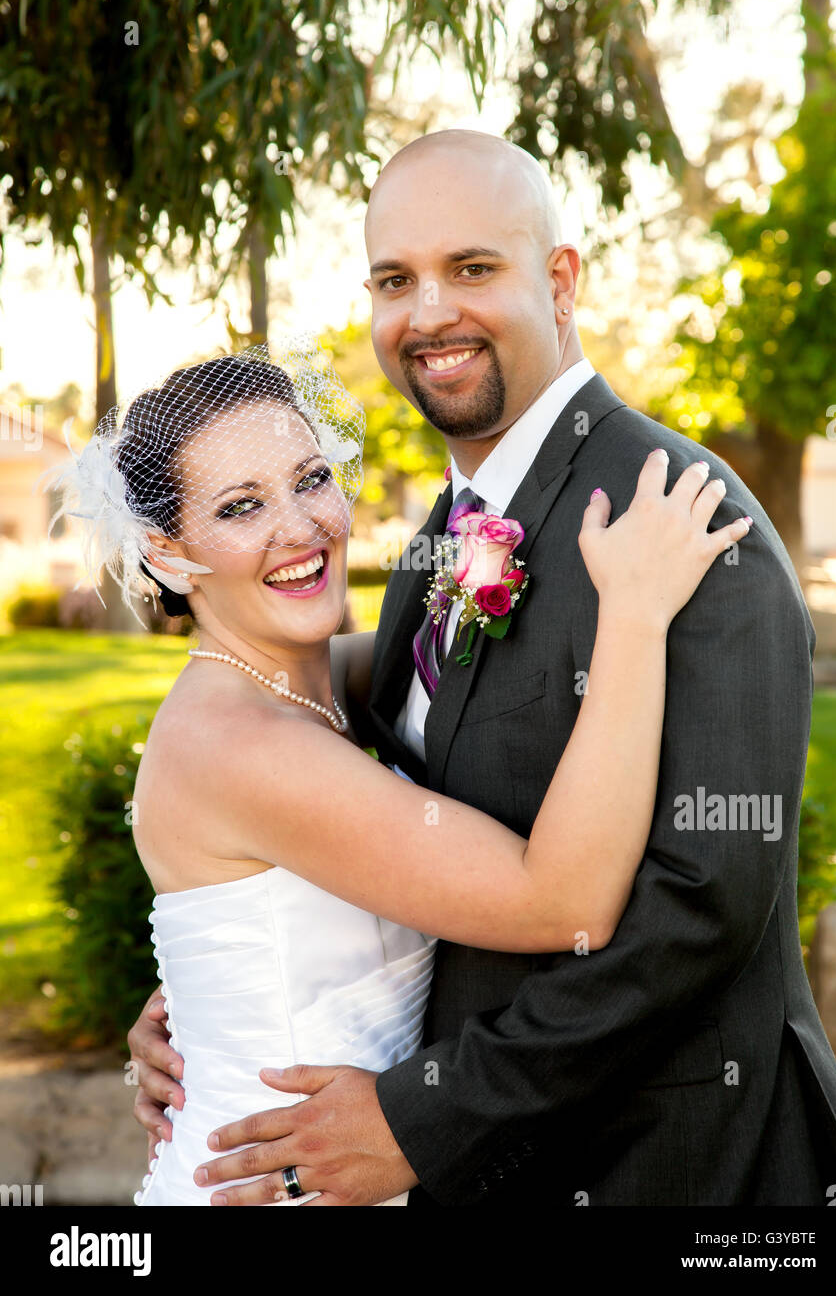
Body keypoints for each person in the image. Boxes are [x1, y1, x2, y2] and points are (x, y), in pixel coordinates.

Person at [129, 132, 836, 1207]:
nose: (428, 314)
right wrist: (212, 993)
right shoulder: (442, 542)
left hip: (675, 1172)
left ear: (558, 281)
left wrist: (427, 1114)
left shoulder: (682, 524)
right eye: (395, 279)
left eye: (472, 268)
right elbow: (337, 808)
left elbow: (701, 909)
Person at [53, 339, 744, 1206]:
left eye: (310, 479)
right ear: (168, 550)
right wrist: (635, 617)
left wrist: (193, 998)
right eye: (240, 507)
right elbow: (563, 902)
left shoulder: (315, 683)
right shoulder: (239, 745)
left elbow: (447, 665)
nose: (300, 529)